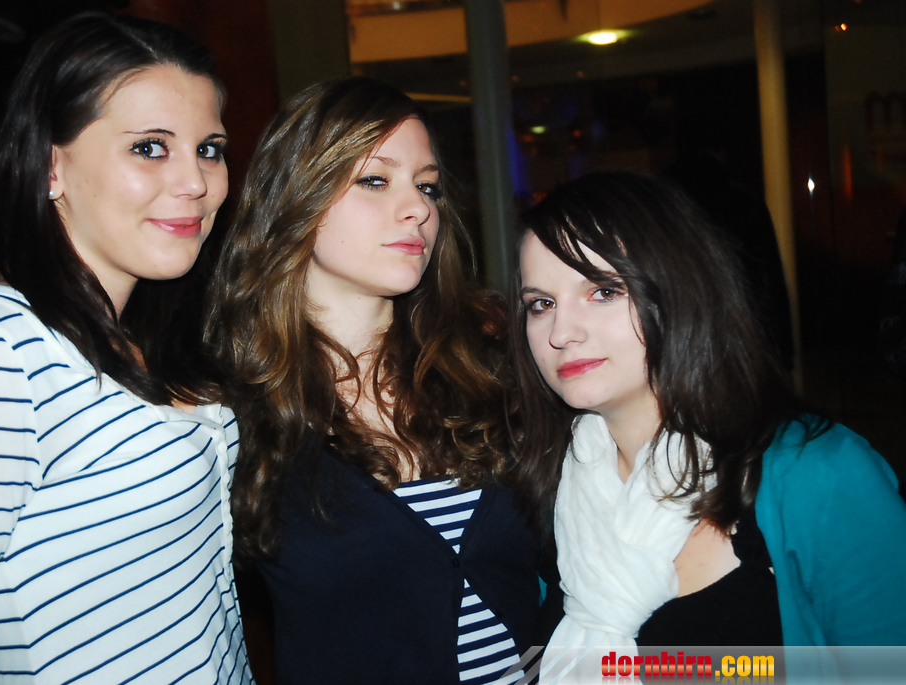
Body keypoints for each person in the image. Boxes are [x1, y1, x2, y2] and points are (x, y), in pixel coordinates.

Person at [0, 14, 252, 684]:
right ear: (51, 164)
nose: (196, 182)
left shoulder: (143, 325)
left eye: (209, 148)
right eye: (150, 147)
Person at [206, 77, 539, 685]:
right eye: (375, 180)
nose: (419, 208)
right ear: (297, 195)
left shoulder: (490, 361)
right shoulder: (228, 407)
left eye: (427, 186)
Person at [509, 172, 906, 680]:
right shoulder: (552, 486)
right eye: (541, 304)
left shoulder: (819, 477)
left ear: (681, 291)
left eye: (604, 291)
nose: (562, 332)